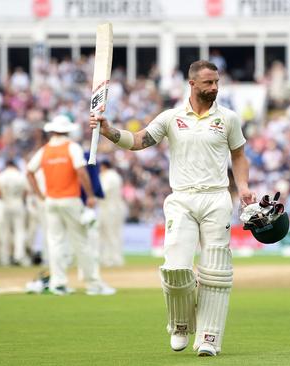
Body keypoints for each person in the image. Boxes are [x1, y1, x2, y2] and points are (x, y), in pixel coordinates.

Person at [89, 60, 255, 357]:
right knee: (176, 268)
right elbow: (139, 141)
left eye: (216, 82)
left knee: (216, 272)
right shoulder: (171, 117)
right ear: (191, 84)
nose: (214, 87)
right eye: (208, 83)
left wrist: (242, 187)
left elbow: (239, 155)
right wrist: (109, 131)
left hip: (217, 197)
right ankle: (180, 324)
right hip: (181, 198)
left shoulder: (228, 118)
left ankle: (209, 337)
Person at [26, 115, 116, 296]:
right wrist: (90, 195)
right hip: (70, 200)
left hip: (51, 201)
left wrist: (40, 195)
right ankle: (93, 284)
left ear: (52, 131)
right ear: (68, 131)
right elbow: (81, 172)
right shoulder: (71, 147)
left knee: (55, 243)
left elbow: (29, 172)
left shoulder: (45, 150)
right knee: (81, 242)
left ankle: (58, 283)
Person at [0, 160, 30, 266]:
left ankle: (5, 257)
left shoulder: (0, 176)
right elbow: (26, 192)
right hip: (18, 203)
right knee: (19, 231)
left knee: (5, 232)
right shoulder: (21, 175)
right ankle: (19, 256)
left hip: (5, 204)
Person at [97, 159, 126, 267]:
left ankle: (115, 259)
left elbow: (102, 192)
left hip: (111, 208)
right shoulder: (109, 175)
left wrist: (90, 193)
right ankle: (107, 258)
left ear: (104, 166)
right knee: (105, 234)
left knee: (111, 234)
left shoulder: (110, 176)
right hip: (107, 207)